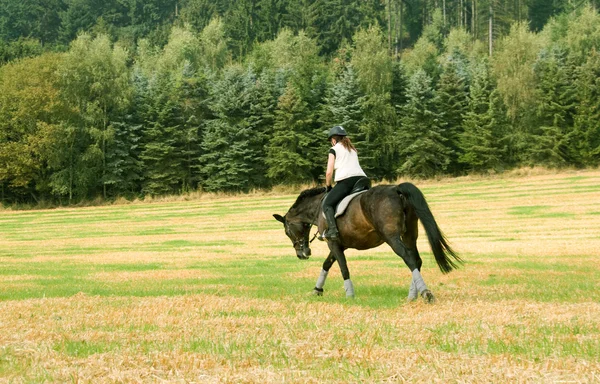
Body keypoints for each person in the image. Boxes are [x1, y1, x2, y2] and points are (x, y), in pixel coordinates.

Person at [321, 125, 367, 241]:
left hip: (347, 182)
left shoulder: (334, 149)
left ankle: (333, 231)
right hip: (363, 180)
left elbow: (329, 172)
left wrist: (328, 186)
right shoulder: (353, 149)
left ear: (333, 139)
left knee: (327, 204)